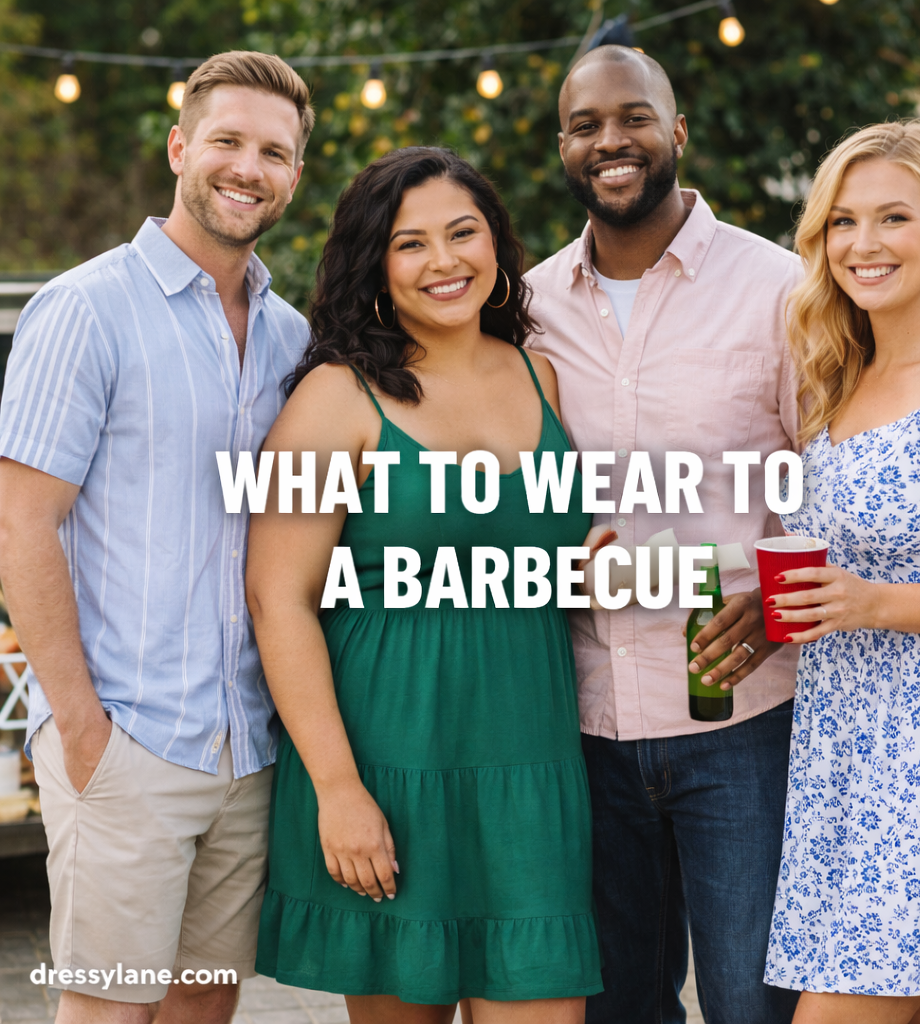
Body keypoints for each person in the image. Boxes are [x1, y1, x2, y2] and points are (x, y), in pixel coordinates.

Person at [247, 146, 602, 1024]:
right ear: (376, 263)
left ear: (496, 244)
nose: (444, 262)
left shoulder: (540, 373)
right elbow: (277, 599)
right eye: (411, 244)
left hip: (530, 762)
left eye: (462, 233)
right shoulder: (335, 397)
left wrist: (580, 568)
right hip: (387, 764)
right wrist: (338, 789)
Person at [0, 52, 312, 1023]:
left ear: (296, 174)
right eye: (227, 140)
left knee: (200, 1012)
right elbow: (21, 522)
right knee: (107, 1012)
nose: (248, 167)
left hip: (245, 752)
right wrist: (84, 731)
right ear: (180, 147)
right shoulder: (84, 310)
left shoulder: (292, 338)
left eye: (275, 151)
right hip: (128, 742)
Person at [525, 45, 803, 1024]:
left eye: (633, 116)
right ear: (562, 145)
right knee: (618, 1008)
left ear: (676, 132)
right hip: (585, 724)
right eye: (585, 124)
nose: (611, 140)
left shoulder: (780, 289)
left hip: (743, 724)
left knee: (749, 1004)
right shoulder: (526, 306)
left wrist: (778, 603)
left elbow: (830, 486)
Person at [761, 120, 920, 1023]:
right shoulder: (839, 380)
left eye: (892, 218)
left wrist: (875, 602)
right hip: (848, 742)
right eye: (841, 222)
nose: (862, 245)